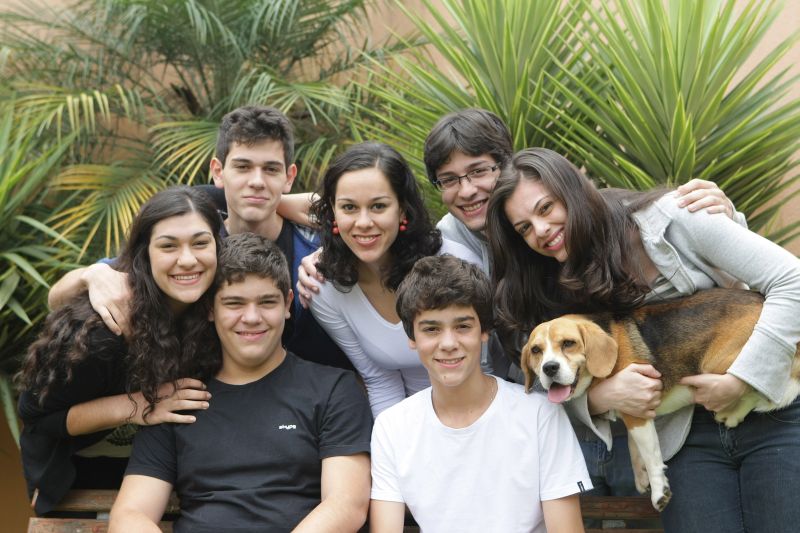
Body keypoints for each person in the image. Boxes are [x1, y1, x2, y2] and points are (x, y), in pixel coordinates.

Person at [486, 147, 800, 532]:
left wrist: (742, 379)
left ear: (574, 192)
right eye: (524, 228)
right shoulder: (552, 283)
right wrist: (599, 397)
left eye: (546, 208)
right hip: (685, 438)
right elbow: (542, 394)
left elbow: (792, 281)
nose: (541, 230)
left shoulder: (675, 216)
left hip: (772, 408)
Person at [46, 105, 352, 371]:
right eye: (243, 167)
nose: (257, 181)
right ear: (218, 172)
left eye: (270, 169)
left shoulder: (317, 248)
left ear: (289, 177)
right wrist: (92, 274)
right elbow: (56, 298)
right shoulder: (193, 245)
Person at [109, 232, 373, 532]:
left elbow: (346, 506)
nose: (251, 317)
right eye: (234, 303)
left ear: (288, 304)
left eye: (267, 302)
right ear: (210, 308)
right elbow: (130, 515)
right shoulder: (177, 400)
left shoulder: (333, 389)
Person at [17, 186, 221, 515]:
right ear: (145, 253)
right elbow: (37, 417)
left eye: (200, 243)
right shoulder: (104, 331)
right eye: (168, 246)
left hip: (168, 474)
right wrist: (138, 406)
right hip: (76, 476)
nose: (188, 259)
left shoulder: (220, 313)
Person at [370, 255, 590, 533]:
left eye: (463, 326)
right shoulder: (392, 428)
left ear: (484, 331)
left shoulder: (539, 414)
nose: (448, 343)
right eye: (431, 329)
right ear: (412, 338)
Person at [308, 142, 481, 416]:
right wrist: (394, 448)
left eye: (378, 206)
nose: (363, 222)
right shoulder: (324, 289)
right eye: (349, 207)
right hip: (408, 421)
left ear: (402, 210)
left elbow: (485, 367)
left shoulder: (455, 262)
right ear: (333, 212)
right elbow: (379, 381)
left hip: (479, 408)